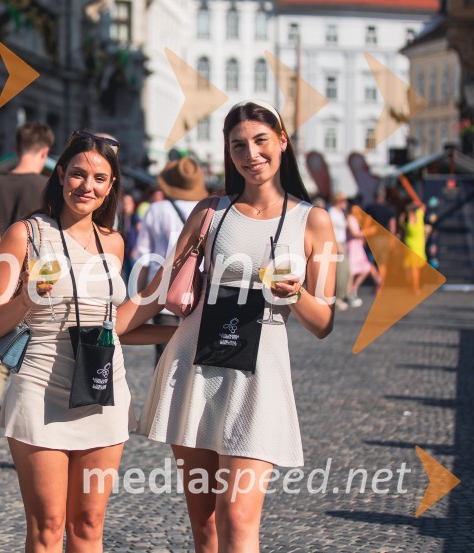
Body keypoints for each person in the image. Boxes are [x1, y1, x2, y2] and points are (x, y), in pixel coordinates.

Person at [119, 101, 336, 552]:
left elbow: (324, 324)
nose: (250, 154)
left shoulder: (311, 221)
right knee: (206, 525)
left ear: (282, 142)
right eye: (238, 145)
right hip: (195, 368)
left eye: (260, 141)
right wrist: (97, 328)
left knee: (238, 517)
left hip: (260, 377)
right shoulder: (210, 212)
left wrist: (295, 293)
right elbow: (158, 291)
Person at [0, 130, 171, 552]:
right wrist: (27, 299)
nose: (87, 186)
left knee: (88, 524)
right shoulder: (25, 234)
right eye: (79, 174)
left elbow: (112, 324)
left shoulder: (115, 243)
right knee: (47, 527)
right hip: (40, 389)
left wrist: (177, 331)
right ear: (61, 173)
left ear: (111, 187)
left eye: (100, 179)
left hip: (103, 389)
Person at [0, 121, 54, 473]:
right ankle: (37, 443)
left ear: (16, 146)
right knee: (36, 369)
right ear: (46, 152)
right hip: (36, 289)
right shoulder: (50, 189)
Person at [134, 156, 208, 360]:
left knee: (164, 354)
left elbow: (143, 255)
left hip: (161, 289)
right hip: (197, 290)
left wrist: (140, 296)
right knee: (192, 353)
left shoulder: (156, 210)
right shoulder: (207, 209)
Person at [345, 200, 380, 307]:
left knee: (366, 268)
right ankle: (349, 293)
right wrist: (369, 232)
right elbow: (355, 233)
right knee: (352, 271)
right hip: (352, 246)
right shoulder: (349, 218)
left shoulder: (355, 218)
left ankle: (353, 289)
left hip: (358, 246)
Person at [362, 187, 397, 282]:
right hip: (385, 238)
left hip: (373, 238)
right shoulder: (390, 209)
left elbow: (367, 223)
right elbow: (392, 226)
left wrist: (364, 237)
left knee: (369, 261)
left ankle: (378, 280)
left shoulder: (370, 208)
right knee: (383, 262)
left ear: (374, 196)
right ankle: (381, 281)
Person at [327, 192, 350, 311]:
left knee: (346, 271)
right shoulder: (332, 212)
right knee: (341, 272)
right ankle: (338, 298)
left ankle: (342, 296)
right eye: (344, 201)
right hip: (337, 244)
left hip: (342, 242)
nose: (346, 203)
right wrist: (337, 246)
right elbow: (331, 230)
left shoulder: (340, 213)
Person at [400, 199, 427, 293]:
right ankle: (415, 287)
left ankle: (412, 286)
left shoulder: (405, 218)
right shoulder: (419, 215)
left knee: (411, 268)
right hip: (419, 245)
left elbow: (401, 225)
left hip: (410, 244)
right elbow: (423, 205)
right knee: (416, 268)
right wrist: (416, 202)